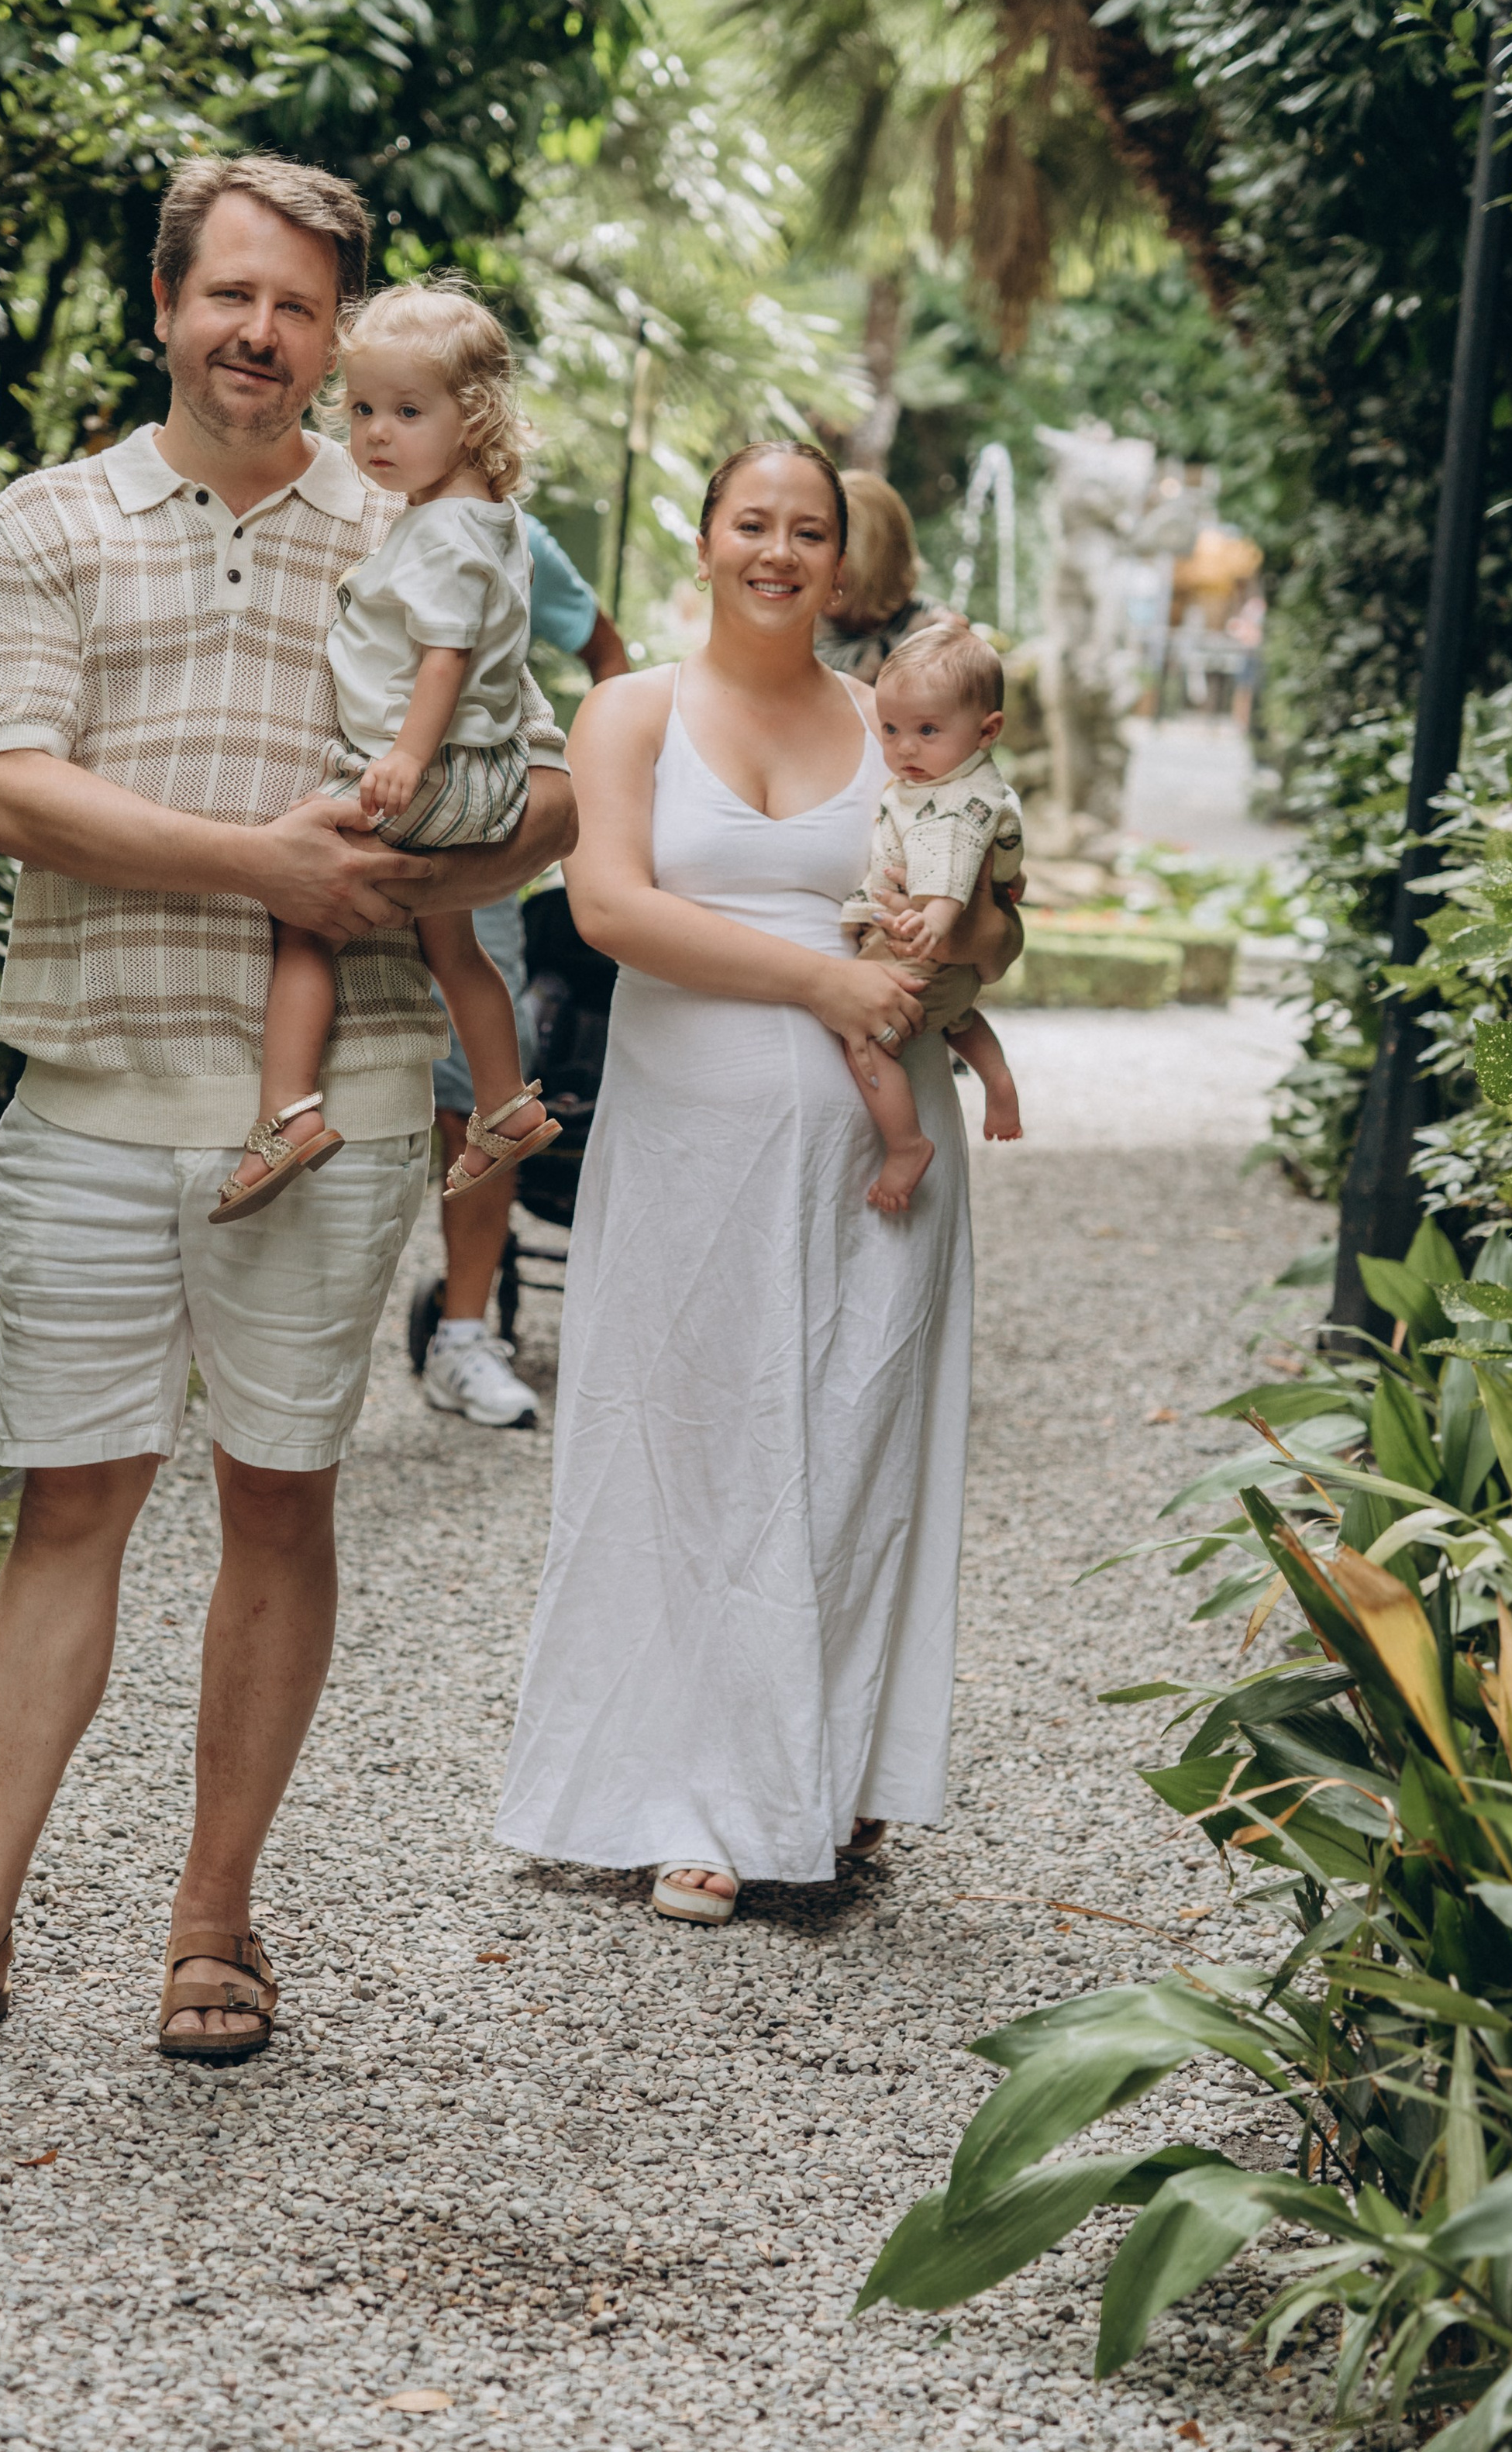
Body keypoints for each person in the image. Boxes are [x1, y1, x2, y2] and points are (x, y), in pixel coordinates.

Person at [0, 152, 573, 2063]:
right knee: (70, 1497)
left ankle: (213, 1923)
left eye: (300, 306)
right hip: (92, 1081)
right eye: (229, 294)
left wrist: (419, 863)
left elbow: (550, 800)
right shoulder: (51, 518)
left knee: (279, 1494)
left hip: (345, 1088)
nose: (260, 334)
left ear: (339, 333)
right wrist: (270, 867)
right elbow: (10, 787)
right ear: (163, 304)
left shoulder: (407, 514)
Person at [494, 439, 1021, 1924]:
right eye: (753, 524)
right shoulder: (633, 710)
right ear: (709, 535)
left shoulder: (895, 723)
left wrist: (967, 947)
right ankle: (685, 1796)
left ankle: (820, 1775)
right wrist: (821, 984)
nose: (778, 552)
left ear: (842, 560)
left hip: (879, 1160)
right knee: (686, 1439)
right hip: (686, 1151)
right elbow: (607, 908)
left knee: (853, 1441)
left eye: (809, 531)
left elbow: (991, 928)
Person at [212, 281, 558, 1222]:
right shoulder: (483, 516)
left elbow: (444, 658)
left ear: (474, 417)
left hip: (432, 770)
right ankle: (504, 1104)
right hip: (480, 772)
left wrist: (403, 757)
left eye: (408, 412)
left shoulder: (443, 532)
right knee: (451, 941)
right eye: (363, 409)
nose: (375, 434)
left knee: (302, 911)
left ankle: (285, 1115)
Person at [422, 517, 626, 1429]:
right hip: (343, 809)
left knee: (478, 1093)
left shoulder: (514, 538)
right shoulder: (325, 505)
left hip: (475, 849)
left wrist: (605, 803)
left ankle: (464, 1333)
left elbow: (606, 653)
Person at [840, 619, 1025, 1210]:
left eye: (926, 730)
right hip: (938, 951)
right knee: (956, 1013)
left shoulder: (957, 802)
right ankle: (997, 1079)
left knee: (866, 1038)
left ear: (987, 731)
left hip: (920, 940)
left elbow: (952, 867)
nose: (904, 748)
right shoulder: (957, 775)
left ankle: (905, 1144)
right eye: (891, 730)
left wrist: (937, 924)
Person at [813, 467, 948, 679]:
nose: (825, 573)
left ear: (878, 564)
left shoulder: (935, 635)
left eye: (839, 560)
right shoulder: (797, 625)